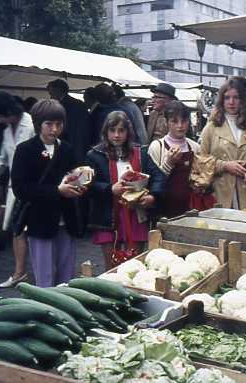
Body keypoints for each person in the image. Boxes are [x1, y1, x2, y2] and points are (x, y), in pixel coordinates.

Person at [11, 99, 87, 287]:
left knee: (67, 274)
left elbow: (74, 174)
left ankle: (66, 310)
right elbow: (20, 188)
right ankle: (46, 311)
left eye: (58, 124)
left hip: (66, 218)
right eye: (49, 124)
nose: (54, 129)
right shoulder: (25, 150)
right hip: (39, 220)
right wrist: (56, 190)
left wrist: (80, 185)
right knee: (44, 276)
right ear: (38, 124)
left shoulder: (67, 148)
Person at [86, 111, 166, 271]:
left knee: (135, 265)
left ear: (128, 132)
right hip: (108, 216)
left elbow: (159, 177)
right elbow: (88, 185)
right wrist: (110, 189)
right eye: (112, 130)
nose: (116, 135)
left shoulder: (141, 152)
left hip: (136, 215)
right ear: (105, 132)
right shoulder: (95, 155)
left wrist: (152, 196)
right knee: (111, 268)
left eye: (121, 131)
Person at [0, 91, 35, 288]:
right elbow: (3, 158)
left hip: (34, 187)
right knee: (17, 230)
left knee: (34, 230)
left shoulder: (32, 123)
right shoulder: (7, 130)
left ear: (8, 111)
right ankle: (19, 272)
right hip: (16, 188)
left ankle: (42, 270)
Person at [199, 78, 246, 209]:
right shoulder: (210, 128)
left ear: (243, 100)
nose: (231, 102)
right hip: (220, 195)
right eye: (227, 98)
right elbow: (200, 162)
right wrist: (224, 165)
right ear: (221, 100)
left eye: (236, 97)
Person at [148, 100, 203, 218]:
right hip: (164, 209)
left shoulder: (195, 147)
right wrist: (169, 162)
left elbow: (199, 176)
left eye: (184, 121)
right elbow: (152, 182)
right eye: (174, 121)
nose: (180, 126)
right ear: (167, 122)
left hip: (189, 208)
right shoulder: (157, 147)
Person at [46, 79, 93, 164]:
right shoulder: (78, 104)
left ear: (58, 90)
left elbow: (66, 128)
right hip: (81, 145)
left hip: (72, 146)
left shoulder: (65, 105)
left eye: (51, 93)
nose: (51, 96)